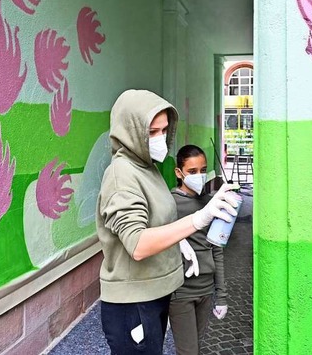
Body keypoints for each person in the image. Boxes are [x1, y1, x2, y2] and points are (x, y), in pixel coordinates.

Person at [96, 89, 240, 355]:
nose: (160, 138)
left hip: (155, 294)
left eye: (164, 130)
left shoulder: (147, 168)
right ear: (130, 130)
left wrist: (178, 241)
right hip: (133, 302)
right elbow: (137, 243)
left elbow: (155, 219)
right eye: (151, 132)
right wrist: (199, 219)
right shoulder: (121, 175)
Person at [169, 145, 229, 355]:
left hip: (206, 290)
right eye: (192, 172)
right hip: (181, 292)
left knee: (197, 346)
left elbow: (217, 250)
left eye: (203, 170)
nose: (199, 176)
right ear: (179, 173)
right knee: (188, 351)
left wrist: (221, 295)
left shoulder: (210, 203)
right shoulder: (169, 204)